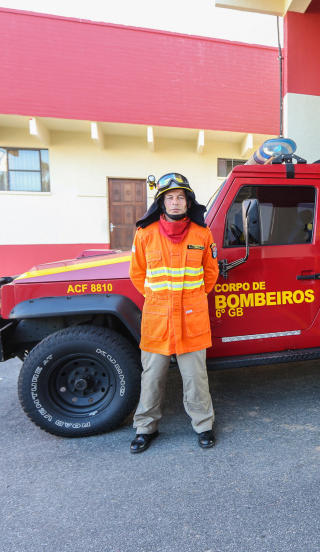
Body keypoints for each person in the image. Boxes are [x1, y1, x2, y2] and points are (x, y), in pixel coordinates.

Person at [128, 173, 220, 453]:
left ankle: (203, 426)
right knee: (152, 377)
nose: (176, 202)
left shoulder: (202, 234)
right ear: (162, 203)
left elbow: (210, 273)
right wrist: (159, 300)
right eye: (170, 197)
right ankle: (145, 428)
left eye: (180, 197)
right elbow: (137, 274)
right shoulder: (144, 234)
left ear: (188, 202)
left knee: (196, 378)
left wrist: (193, 298)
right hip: (158, 319)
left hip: (192, 318)